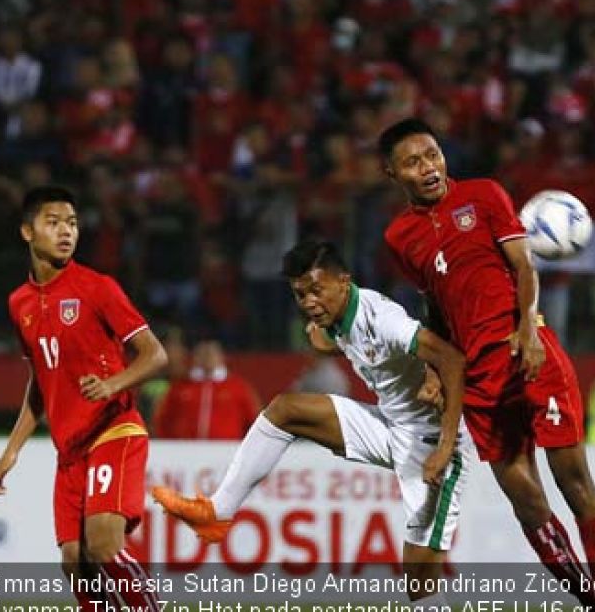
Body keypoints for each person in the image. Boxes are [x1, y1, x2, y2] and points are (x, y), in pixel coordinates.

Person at [379, 118, 595, 610]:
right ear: (392, 173)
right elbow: (435, 304)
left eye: (432, 154)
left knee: (575, 484)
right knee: (527, 503)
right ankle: (592, 602)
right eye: (412, 162)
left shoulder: (484, 195)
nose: (427, 168)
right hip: (478, 379)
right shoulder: (400, 237)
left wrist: (528, 329)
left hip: (527, 353)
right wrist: (434, 369)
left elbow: (523, 266)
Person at [152, 240, 472, 603]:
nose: (308, 303)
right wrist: (328, 342)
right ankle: (216, 512)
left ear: (343, 282)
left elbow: (452, 360)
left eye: (316, 291)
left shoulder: (384, 321)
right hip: (388, 425)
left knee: (419, 585)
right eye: (299, 294)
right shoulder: (334, 317)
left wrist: (446, 446)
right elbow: (346, 341)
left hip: (430, 441)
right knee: (286, 410)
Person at [0, 186, 168, 610]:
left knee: (104, 543)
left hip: (114, 429)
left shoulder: (97, 287)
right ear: (27, 232)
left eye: (72, 223)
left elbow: (155, 354)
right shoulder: (20, 304)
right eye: (54, 223)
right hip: (70, 448)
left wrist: (113, 384)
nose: (66, 232)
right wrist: (11, 451)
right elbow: (41, 381)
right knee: (75, 562)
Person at [152, 339, 262, 439]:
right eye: (202, 354)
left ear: (221, 357)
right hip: (185, 450)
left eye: (211, 354)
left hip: (226, 450)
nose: (207, 358)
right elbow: (163, 420)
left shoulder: (238, 387)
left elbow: (253, 420)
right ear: (195, 357)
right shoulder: (179, 387)